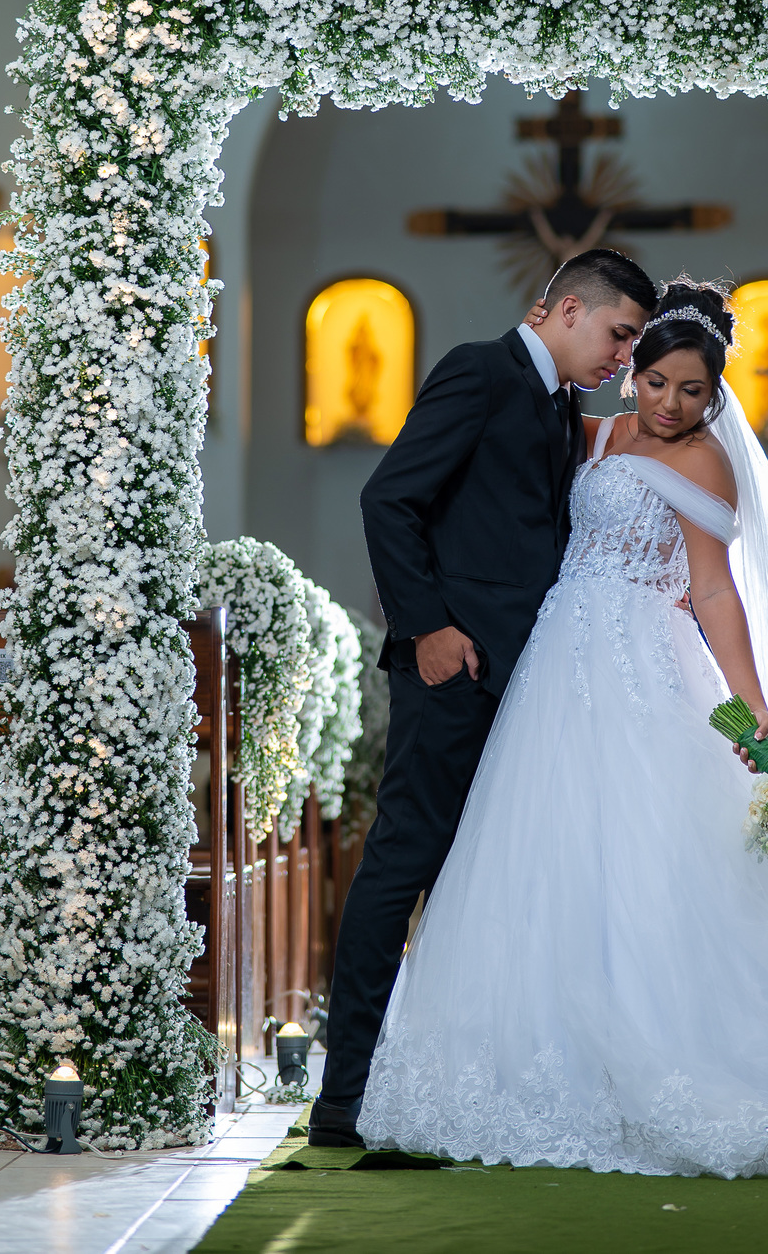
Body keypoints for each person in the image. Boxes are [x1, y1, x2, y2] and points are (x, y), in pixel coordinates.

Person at [356, 277, 768, 1178]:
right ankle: (550, 1058)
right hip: (556, 669)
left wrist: (750, 705)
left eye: (693, 389)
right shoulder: (593, 433)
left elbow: (712, 589)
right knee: (548, 856)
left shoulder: (707, 460)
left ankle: (680, 1054)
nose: (671, 402)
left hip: (645, 666)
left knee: (652, 859)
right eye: (656, 380)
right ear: (631, 370)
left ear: (715, 394)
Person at [310, 247, 657, 1146]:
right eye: (619, 334)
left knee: (491, 879)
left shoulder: (560, 402)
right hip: (452, 671)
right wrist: (427, 628)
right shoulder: (479, 369)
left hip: (525, 683)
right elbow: (389, 499)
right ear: (568, 309)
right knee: (402, 863)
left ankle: (462, 1085)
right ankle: (342, 1097)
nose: (624, 356)